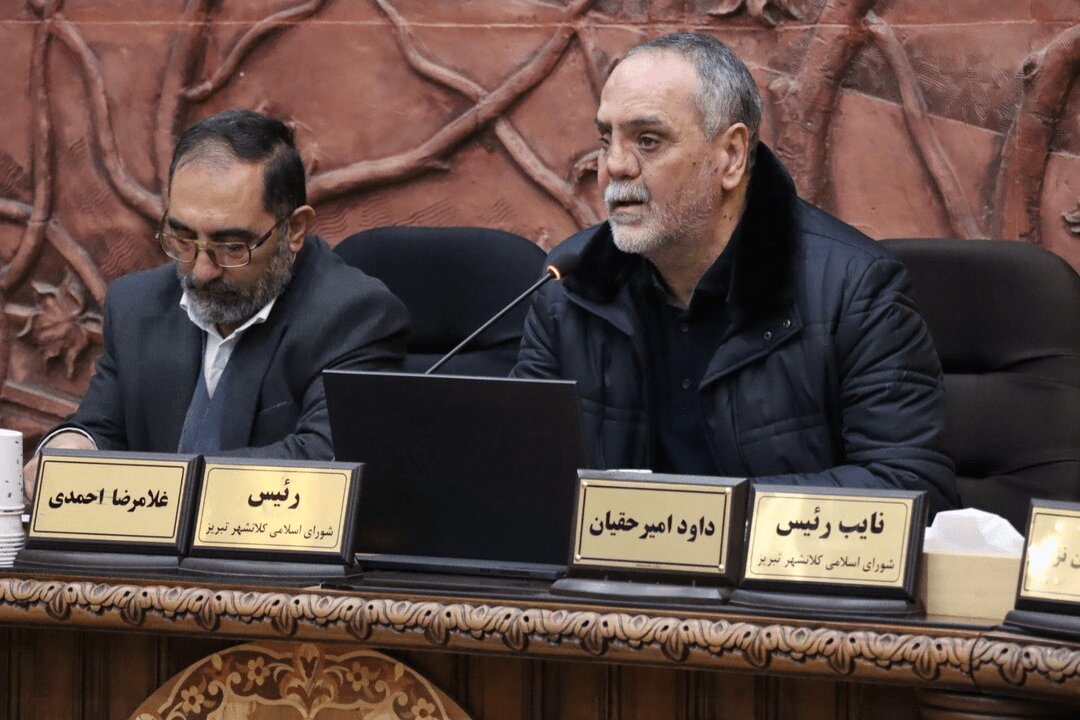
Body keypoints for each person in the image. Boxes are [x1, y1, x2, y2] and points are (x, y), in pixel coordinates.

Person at [512, 32, 957, 515]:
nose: (614, 166)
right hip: (610, 563)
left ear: (731, 156)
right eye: (606, 140)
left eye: (648, 141)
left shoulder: (855, 291)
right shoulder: (568, 286)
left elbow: (911, 486)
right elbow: (518, 468)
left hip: (774, 564)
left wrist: (712, 519)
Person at [23, 109, 409, 499]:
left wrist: (161, 489)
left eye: (231, 247)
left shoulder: (353, 315)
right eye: (183, 239)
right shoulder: (136, 306)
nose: (202, 271)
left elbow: (325, 462)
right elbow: (101, 428)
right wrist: (72, 448)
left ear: (293, 230)